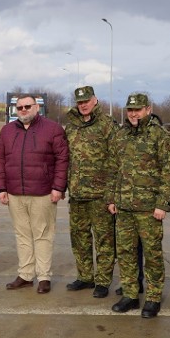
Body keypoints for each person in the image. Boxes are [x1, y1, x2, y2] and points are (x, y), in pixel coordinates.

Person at [108, 92, 170, 318]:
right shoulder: (121, 135)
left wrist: (162, 204)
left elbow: (169, 172)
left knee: (152, 254)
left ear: (148, 109)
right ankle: (130, 294)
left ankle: (154, 297)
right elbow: (113, 169)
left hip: (149, 209)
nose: (134, 114)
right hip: (124, 206)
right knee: (126, 252)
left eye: (138, 109)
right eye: (130, 110)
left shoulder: (160, 136)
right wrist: (112, 198)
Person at [0, 93, 69, 294]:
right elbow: (0, 161)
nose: (24, 110)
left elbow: (62, 160)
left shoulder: (52, 129)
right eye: (19, 108)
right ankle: (26, 275)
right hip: (15, 193)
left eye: (28, 106)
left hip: (43, 192)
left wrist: (58, 187)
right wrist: (1, 188)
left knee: (43, 235)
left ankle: (44, 276)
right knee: (22, 235)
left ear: (37, 107)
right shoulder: (7, 131)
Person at [64, 86, 117, 298]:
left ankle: (103, 281)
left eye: (86, 101)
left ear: (95, 100)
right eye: (79, 102)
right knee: (79, 238)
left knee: (104, 240)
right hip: (77, 194)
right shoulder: (71, 127)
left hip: (100, 195)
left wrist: (112, 195)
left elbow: (115, 160)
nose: (83, 105)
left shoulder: (107, 125)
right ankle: (85, 276)